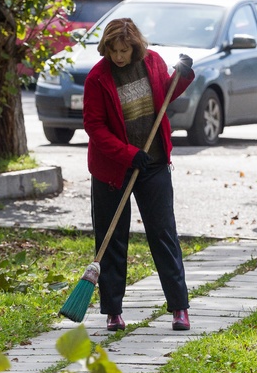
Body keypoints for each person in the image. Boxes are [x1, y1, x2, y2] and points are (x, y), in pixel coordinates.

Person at [82, 17, 195, 332]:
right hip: (112, 169)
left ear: (136, 47)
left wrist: (182, 77)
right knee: (112, 238)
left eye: (124, 50)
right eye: (114, 50)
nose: (119, 56)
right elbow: (94, 127)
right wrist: (128, 154)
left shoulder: (153, 62)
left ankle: (179, 308)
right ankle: (113, 312)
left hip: (154, 164)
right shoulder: (98, 78)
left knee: (163, 233)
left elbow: (165, 95)